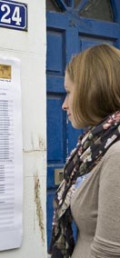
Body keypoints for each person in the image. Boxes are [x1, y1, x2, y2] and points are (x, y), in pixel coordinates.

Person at [48, 44, 120, 258]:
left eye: (69, 93)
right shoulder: (95, 148)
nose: (64, 105)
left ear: (93, 91)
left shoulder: (116, 155)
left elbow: (109, 253)